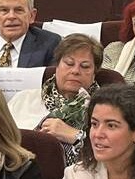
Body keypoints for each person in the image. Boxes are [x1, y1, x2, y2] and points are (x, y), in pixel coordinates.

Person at [7, 33, 106, 164]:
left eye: (85, 66)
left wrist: (75, 135)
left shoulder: (104, 108)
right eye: (69, 63)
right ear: (57, 66)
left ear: (94, 74)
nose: (75, 71)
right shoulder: (24, 99)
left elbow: (117, 149)